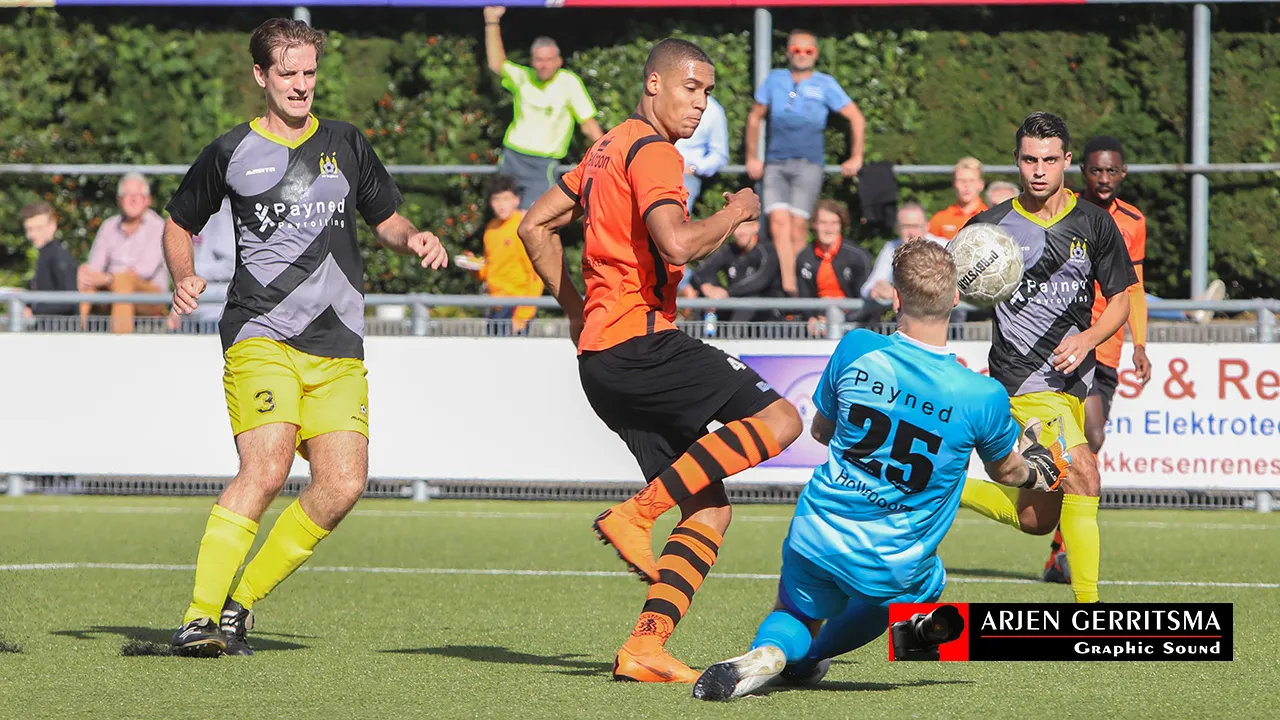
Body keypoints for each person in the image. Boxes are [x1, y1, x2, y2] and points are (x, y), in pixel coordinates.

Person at [517, 38, 803, 683]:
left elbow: (534, 226)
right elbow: (676, 244)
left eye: (708, 92)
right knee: (783, 419)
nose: (700, 103)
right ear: (654, 84)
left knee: (708, 508)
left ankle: (645, 646)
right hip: (642, 343)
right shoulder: (654, 151)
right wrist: (735, 212)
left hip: (602, 358)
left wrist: (574, 310)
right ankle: (636, 513)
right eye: (690, 88)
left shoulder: (606, 147)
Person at [163, 17, 448, 658]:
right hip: (260, 332)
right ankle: (198, 617)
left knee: (342, 484)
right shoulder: (230, 150)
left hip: (338, 343)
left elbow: (388, 220)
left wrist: (415, 237)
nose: (300, 85)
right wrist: (184, 275)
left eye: (309, 73)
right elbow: (178, 223)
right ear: (260, 76)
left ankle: (239, 605)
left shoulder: (346, 142)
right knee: (265, 468)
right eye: (287, 73)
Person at [691, 240, 1069, 701]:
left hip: (817, 527)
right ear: (956, 299)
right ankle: (811, 657)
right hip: (893, 558)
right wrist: (1040, 470)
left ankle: (772, 650)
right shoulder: (981, 395)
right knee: (926, 584)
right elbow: (1008, 473)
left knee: (795, 612)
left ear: (895, 297)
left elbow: (822, 432)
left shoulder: (856, 347)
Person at [957, 112, 1137, 605]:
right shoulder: (988, 228)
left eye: (1050, 160)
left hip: (1075, 380)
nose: (1039, 170)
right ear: (1017, 161)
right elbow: (944, 284)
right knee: (1084, 474)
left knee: (1037, 519)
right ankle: (1090, 611)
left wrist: (1088, 339)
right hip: (1024, 381)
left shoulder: (1094, 222)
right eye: (1030, 160)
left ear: (1066, 161)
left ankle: (944, 487)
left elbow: (1121, 300)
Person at [1041, 136, 1152, 583]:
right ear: (1082, 171)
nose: (1104, 178)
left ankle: (1058, 550)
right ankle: (1057, 541)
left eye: (1111, 171)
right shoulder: (1064, 209)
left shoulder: (1134, 221)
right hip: (1067, 345)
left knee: (1089, 442)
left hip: (1106, 347)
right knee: (1082, 440)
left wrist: (1140, 344)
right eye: (1096, 170)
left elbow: (1134, 288)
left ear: (1122, 173)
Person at [746, 30, 865, 297]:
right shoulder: (775, 79)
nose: (802, 55)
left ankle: (802, 289)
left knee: (798, 226)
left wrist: (856, 156)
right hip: (775, 163)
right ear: (788, 53)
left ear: (816, 54)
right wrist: (752, 157)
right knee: (777, 224)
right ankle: (789, 289)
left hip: (809, 164)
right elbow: (755, 117)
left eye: (808, 51)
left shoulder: (825, 83)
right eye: (796, 50)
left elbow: (856, 118)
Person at [483, 6, 603, 209]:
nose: (544, 65)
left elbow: (588, 125)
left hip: (542, 165)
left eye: (549, 60)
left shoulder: (569, 82)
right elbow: (496, 64)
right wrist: (491, 21)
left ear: (559, 61)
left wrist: (609, 155)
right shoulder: (524, 77)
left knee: (535, 220)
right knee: (504, 220)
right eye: (539, 60)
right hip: (512, 157)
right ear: (532, 61)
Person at [78, 172, 169, 333]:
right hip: (112, 289)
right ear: (119, 200)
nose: (133, 199)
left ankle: (121, 342)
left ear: (147, 200)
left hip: (149, 295)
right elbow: (95, 266)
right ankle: (78, 334)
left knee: (124, 282)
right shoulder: (108, 226)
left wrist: (108, 278)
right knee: (86, 277)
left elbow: (143, 271)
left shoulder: (158, 227)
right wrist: (88, 274)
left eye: (138, 195)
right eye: (127, 195)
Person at [463, 174, 545, 335]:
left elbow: (536, 275)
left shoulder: (523, 227)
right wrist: (474, 267)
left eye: (506, 199)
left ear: (516, 200)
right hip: (495, 305)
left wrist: (522, 316)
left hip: (516, 305)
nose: (501, 205)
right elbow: (490, 269)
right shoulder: (491, 228)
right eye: (496, 199)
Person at [795, 199, 874, 336]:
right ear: (814, 224)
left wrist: (841, 320)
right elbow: (804, 297)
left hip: (856, 326)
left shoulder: (857, 256)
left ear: (841, 225)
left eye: (834, 223)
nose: (828, 228)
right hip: (819, 325)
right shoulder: (804, 257)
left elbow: (867, 301)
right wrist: (811, 317)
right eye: (823, 223)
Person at [691, 221, 783, 323]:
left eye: (745, 226)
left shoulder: (767, 251)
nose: (741, 232)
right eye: (737, 227)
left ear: (755, 227)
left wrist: (725, 293)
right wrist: (706, 287)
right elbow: (700, 272)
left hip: (765, 312)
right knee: (704, 297)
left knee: (749, 300)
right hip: (733, 303)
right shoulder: (728, 250)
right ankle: (704, 332)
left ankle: (734, 332)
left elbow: (759, 281)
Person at [21, 201, 78, 319]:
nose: (33, 234)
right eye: (29, 229)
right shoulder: (45, 254)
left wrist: (33, 311)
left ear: (52, 226)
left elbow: (69, 301)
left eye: (39, 228)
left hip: (59, 328)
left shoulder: (59, 257)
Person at [675, 94, 730, 213]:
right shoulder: (666, 99)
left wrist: (695, 168)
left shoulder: (713, 110)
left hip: (685, 176)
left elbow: (719, 154)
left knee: (676, 216)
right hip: (656, 167)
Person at [928, 157, 987, 240]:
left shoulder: (990, 218)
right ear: (954, 184)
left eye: (972, 180)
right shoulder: (940, 219)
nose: (966, 185)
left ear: (981, 184)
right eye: (961, 180)